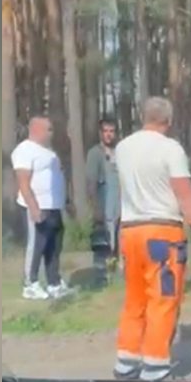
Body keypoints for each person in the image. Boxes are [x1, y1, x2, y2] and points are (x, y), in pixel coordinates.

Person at [113, 97, 191, 382]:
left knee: (135, 298)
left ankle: (126, 361)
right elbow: (184, 193)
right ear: (168, 121)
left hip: (131, 231)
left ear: (143, 117)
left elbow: (123, 190)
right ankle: (156, 365)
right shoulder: (170, 149)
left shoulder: (122, 148)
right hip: (162, 233)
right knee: (163, 298)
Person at [12, 116, 72, 300]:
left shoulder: (48, 153)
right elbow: (23, 182)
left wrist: (67, 201)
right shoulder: (25, 150)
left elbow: (56, 178)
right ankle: (30, 283)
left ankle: (54, 283)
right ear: (36, 130)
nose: (51, 134)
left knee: (54, 246)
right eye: (49, 130)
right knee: (37, 244)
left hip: (54, 206)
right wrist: (34, 207)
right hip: (37, 206)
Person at [84, 117, 121, 276]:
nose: (108, 135)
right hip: (104, 205)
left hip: (121, 206)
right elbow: (91, 181)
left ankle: (118, 272)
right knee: (104, 241)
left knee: (120, 241)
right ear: (100, 133)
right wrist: (95, 207)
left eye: (111, 131)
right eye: (105, 131)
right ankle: (101, 275)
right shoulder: (95, 153)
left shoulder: (120, 151)